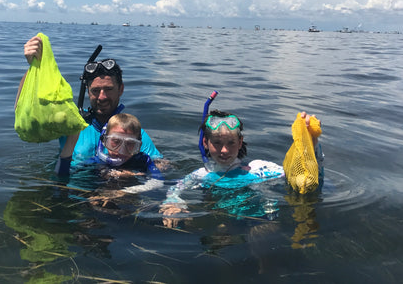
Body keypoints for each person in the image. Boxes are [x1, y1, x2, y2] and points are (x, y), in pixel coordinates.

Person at [20, 35, 163, 175]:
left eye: (108, 89)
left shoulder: (131, 132)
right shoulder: (71, 125)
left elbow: (161, 165)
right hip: (71, 192)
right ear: (88, 92)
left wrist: (130, 173)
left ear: (121, 89)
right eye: (95, 91)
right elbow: (25, 112)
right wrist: (33, 67)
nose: (102, 97)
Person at [159, 110, 324, 227]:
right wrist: (173, 203)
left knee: (260, 234)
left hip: (263, 222)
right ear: (205, 143)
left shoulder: (260, 168)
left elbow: (301, 177)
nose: (224, 150)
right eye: (217, 143)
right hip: (220, 221)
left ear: (240, 142)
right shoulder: (200, 175)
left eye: (231, 143)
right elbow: (175, 190)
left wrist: (311, 143)